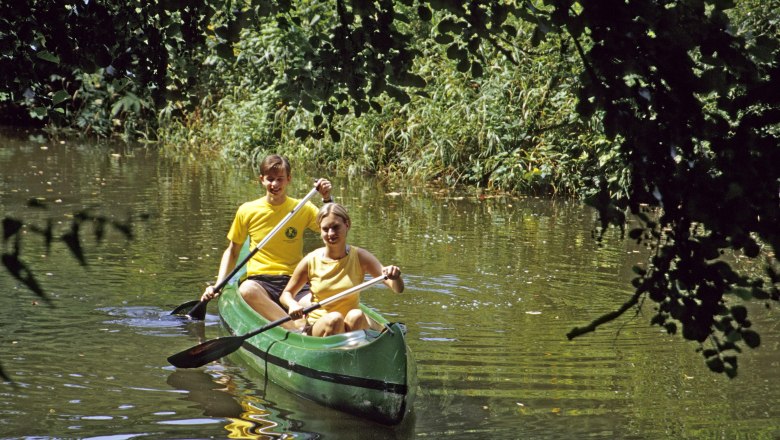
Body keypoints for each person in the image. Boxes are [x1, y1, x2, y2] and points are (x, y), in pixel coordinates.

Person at [200, 154, 332, 331]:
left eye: (280, 179)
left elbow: (333, 225)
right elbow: (233, 251)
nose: (275, 185)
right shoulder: (247, 210)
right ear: (261, 180)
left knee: (322, 305)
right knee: (246, 290)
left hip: (294, 282)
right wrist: (218, 284)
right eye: (270, 179)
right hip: (260, 281)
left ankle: (305, 326)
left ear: (288, 179)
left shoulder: (303, 208)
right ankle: (295, 329)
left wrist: (326, 199)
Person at [280, 203, 404, 336]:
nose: (331, 234)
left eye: (335, 227)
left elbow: (398, 289)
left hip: (351, 325)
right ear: (320, 230)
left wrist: (395, 277)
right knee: (335, 319)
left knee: (356, 315)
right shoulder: (310, 260)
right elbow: (286, 294)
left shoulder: (360, 256)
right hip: (319, 326)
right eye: (325, 229)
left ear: (347, 225)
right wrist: (292, 304)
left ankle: (353, 349)